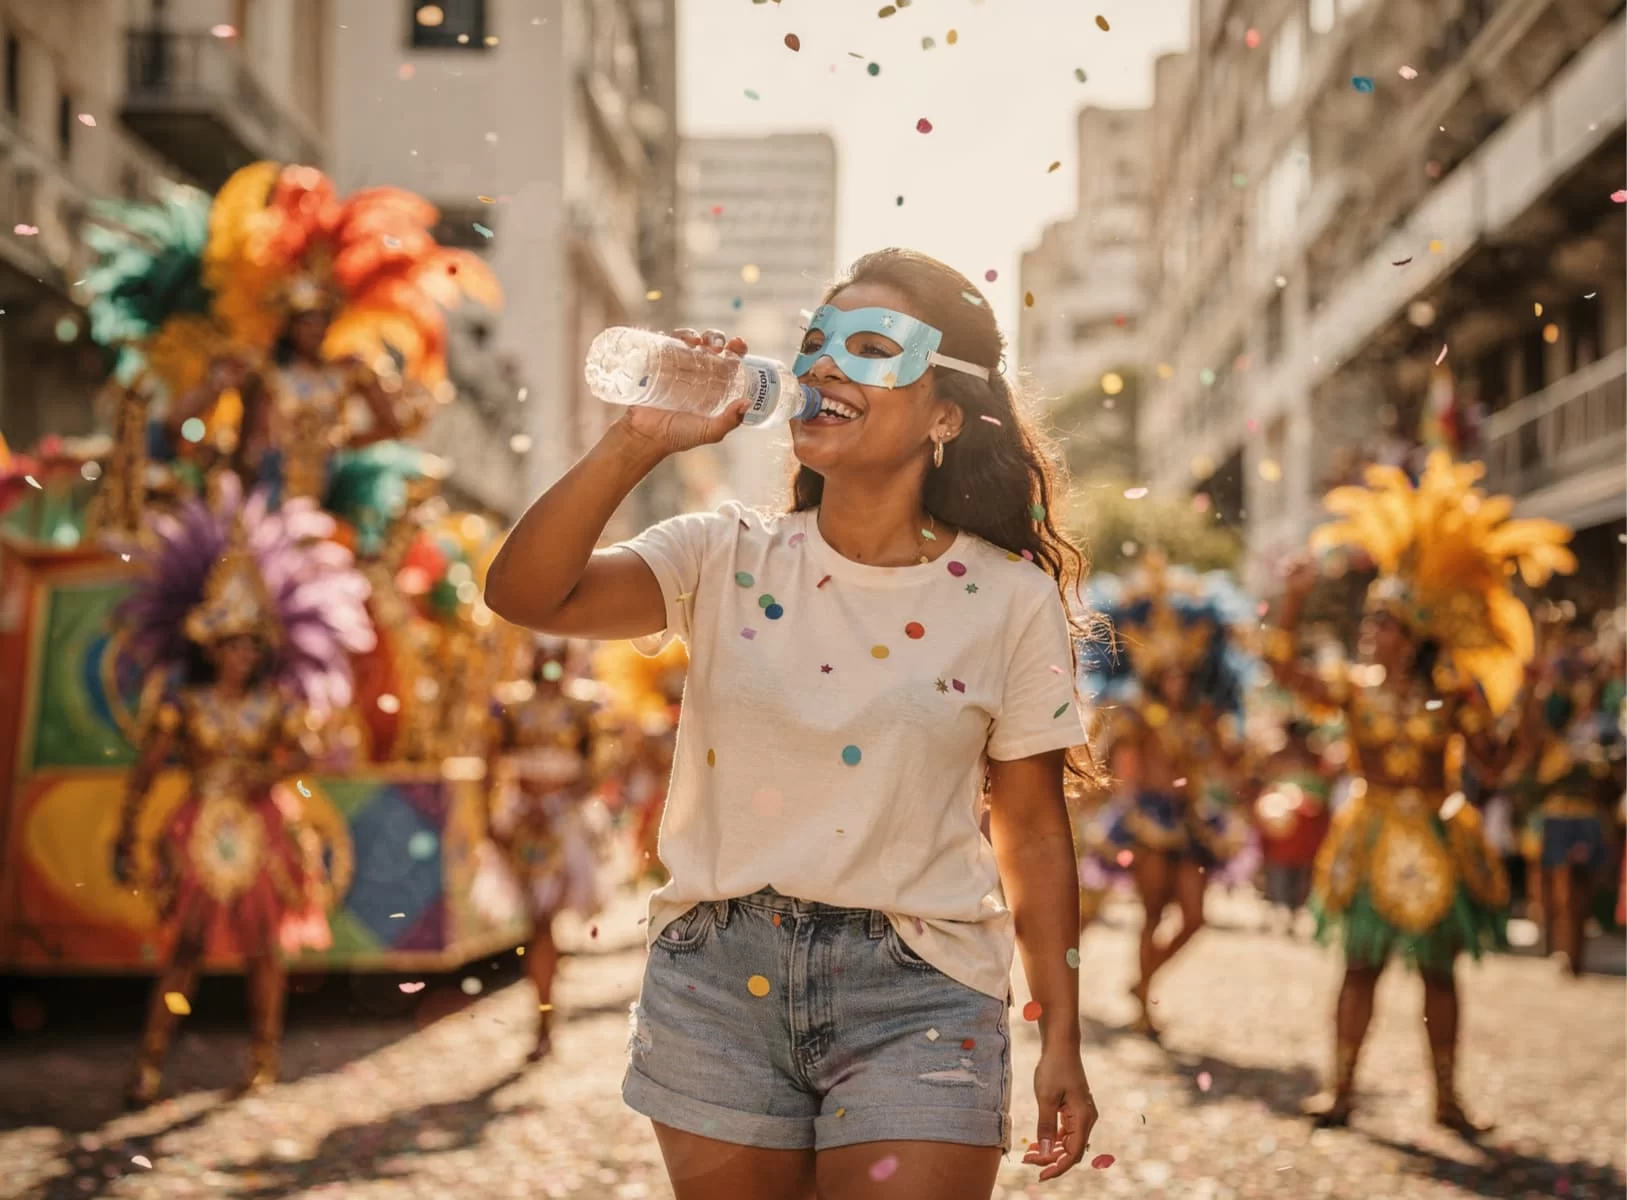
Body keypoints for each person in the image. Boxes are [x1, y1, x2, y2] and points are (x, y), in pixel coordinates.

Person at [485, 249, 1099, 1198]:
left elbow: (1032, 829)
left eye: (870, 348)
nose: (824, 365)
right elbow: (524, 593)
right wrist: (638, 440)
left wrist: (1060, 1032)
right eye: (816, 341)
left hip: (920, 987)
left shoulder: (1010, 599)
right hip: (716, 982)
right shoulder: (721, 554)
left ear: (945, 414)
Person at [1266, 452, 1575, 1133]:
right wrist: (1292, 597)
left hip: (1439, 833)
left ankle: (1446, 1099)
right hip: (1371, 832)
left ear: (1412, 637)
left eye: (1382, 624)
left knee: (1439, 974)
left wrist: (1530, 690)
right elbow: (1284, 670)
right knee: (1361, 966)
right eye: (1370, 622)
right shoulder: (1352, 690)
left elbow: (1498, 763)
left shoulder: (1454, 695)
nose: (1370, 633)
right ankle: (1341, 1090)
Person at [111, 478, 374, 1107]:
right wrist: (128, 825)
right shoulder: (184, 704)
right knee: (185, 950)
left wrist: (275, 775)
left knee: (263, 950)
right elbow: (147, 768)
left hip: (262, 828)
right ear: (213, 647)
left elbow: (308, 752)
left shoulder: (275, 706)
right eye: (232, 645)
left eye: (252, 646)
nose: (242, 657)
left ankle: (263, 1058)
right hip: (198, 825)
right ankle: (150, 1062)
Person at [1080, 560, 1253, 1036]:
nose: (1177, 679)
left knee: (1195, 917)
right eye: (1169, 671)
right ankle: (1143, 1008)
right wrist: (1111, 807)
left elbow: (1227, 767)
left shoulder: (1203, 715)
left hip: (1192, 820)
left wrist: (1236, 755)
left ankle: (1142, 983)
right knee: (1152, 913)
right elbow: (1114, 767)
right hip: (1148, 820)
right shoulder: (1136, 713)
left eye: (1184, 671)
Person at [473, 638, 614, 1061]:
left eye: (556, 653)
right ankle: (544, 1017)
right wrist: (490, 822)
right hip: (520, 823)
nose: (548, 660)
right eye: (540, 651)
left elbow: (598, 768)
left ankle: (545, 1017)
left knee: (544, 922)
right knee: (537, 924)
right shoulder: (508, 704)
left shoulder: (587, 705)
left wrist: (555, 806)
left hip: (564, 825)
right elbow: (489, 765)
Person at [1255, 720, 1336, 934]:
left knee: (1303, 870)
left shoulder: (1317, 760)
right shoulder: (1277, 757)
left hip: (1308, 829)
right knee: (1279, 867)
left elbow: (1326, 790)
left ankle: (1294, 910)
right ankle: (1281, 909)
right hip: (1282, 827)